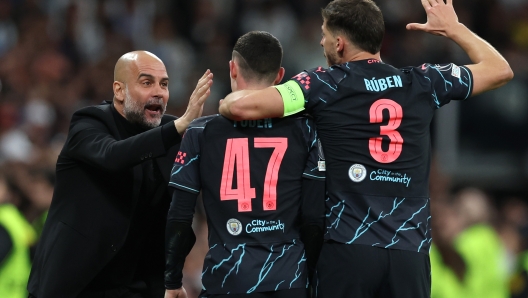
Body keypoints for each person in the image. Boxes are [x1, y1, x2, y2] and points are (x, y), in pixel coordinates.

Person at [219, 0, 514, 297]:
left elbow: (240, 106)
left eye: (324, 35)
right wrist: (454, 29)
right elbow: (500, 70)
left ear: (340, 42)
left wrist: (227, 101)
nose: (321, 42)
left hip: (349, 248)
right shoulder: (423, 81)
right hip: (409, 255)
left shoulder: (321, 84)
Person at [27, 50, 213, 298]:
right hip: (76, 285)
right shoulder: (89, 123)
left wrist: (172, 279)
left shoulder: (172, 134)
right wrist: (179, 127)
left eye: (164, 84)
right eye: (147, 83)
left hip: (136, 286)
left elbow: (173, 214)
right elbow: (113, 156)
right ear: (119, 90)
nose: (158, 91)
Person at [164, 31, 325, 298]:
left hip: (227, 281)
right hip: (288, 280)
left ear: (232, 68)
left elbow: (180, 215)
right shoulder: (306, 130)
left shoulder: (200, 132)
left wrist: (172, 280)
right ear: (279, 76)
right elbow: (314, 217)